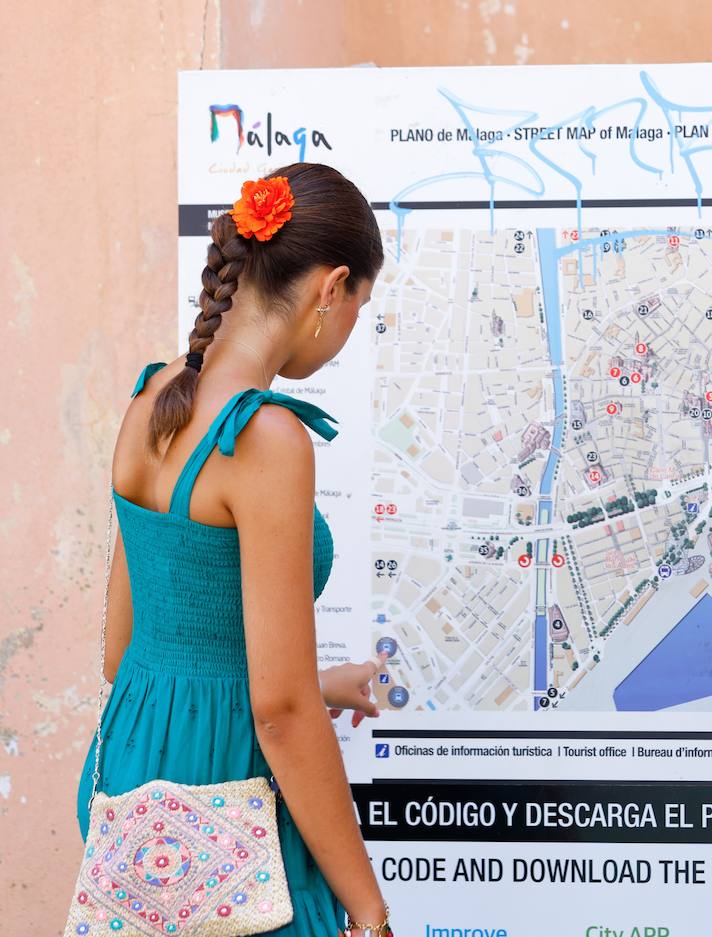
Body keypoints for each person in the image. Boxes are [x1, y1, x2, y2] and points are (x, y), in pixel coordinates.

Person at [76, 163, 395, 936]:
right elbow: (278, 712)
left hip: (127, 781)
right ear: (332, 287)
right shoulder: (266, 437)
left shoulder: (150, 398)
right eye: (361, 306)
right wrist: (370, 907)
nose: (352, 329)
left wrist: (321, 684)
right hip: (229, 798)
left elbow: (126, 649)